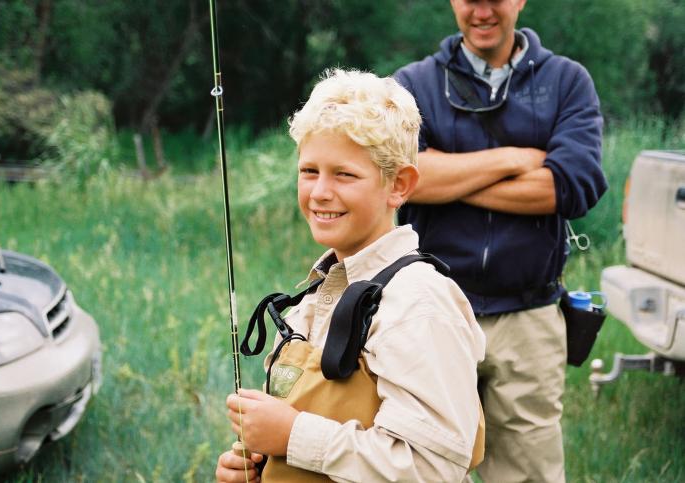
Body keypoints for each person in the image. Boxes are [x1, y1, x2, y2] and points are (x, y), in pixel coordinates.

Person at [215, 69, 486, 482]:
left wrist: (291, 437)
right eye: (309, 171)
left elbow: (431, 468)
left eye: (344, 174)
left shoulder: (419, 302)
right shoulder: (309, 299)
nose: (321, 191)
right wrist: (260, 465)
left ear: (399, 185)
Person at [393, 1, 608, 482]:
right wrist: (518, 158)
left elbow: (570, 186)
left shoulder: (568, 81)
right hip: (432, 311)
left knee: (528, 474)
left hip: (530, 316)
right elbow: (403, 175)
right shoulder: (411, 85)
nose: (482, 11)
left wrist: (449, 175)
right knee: (420, 467)